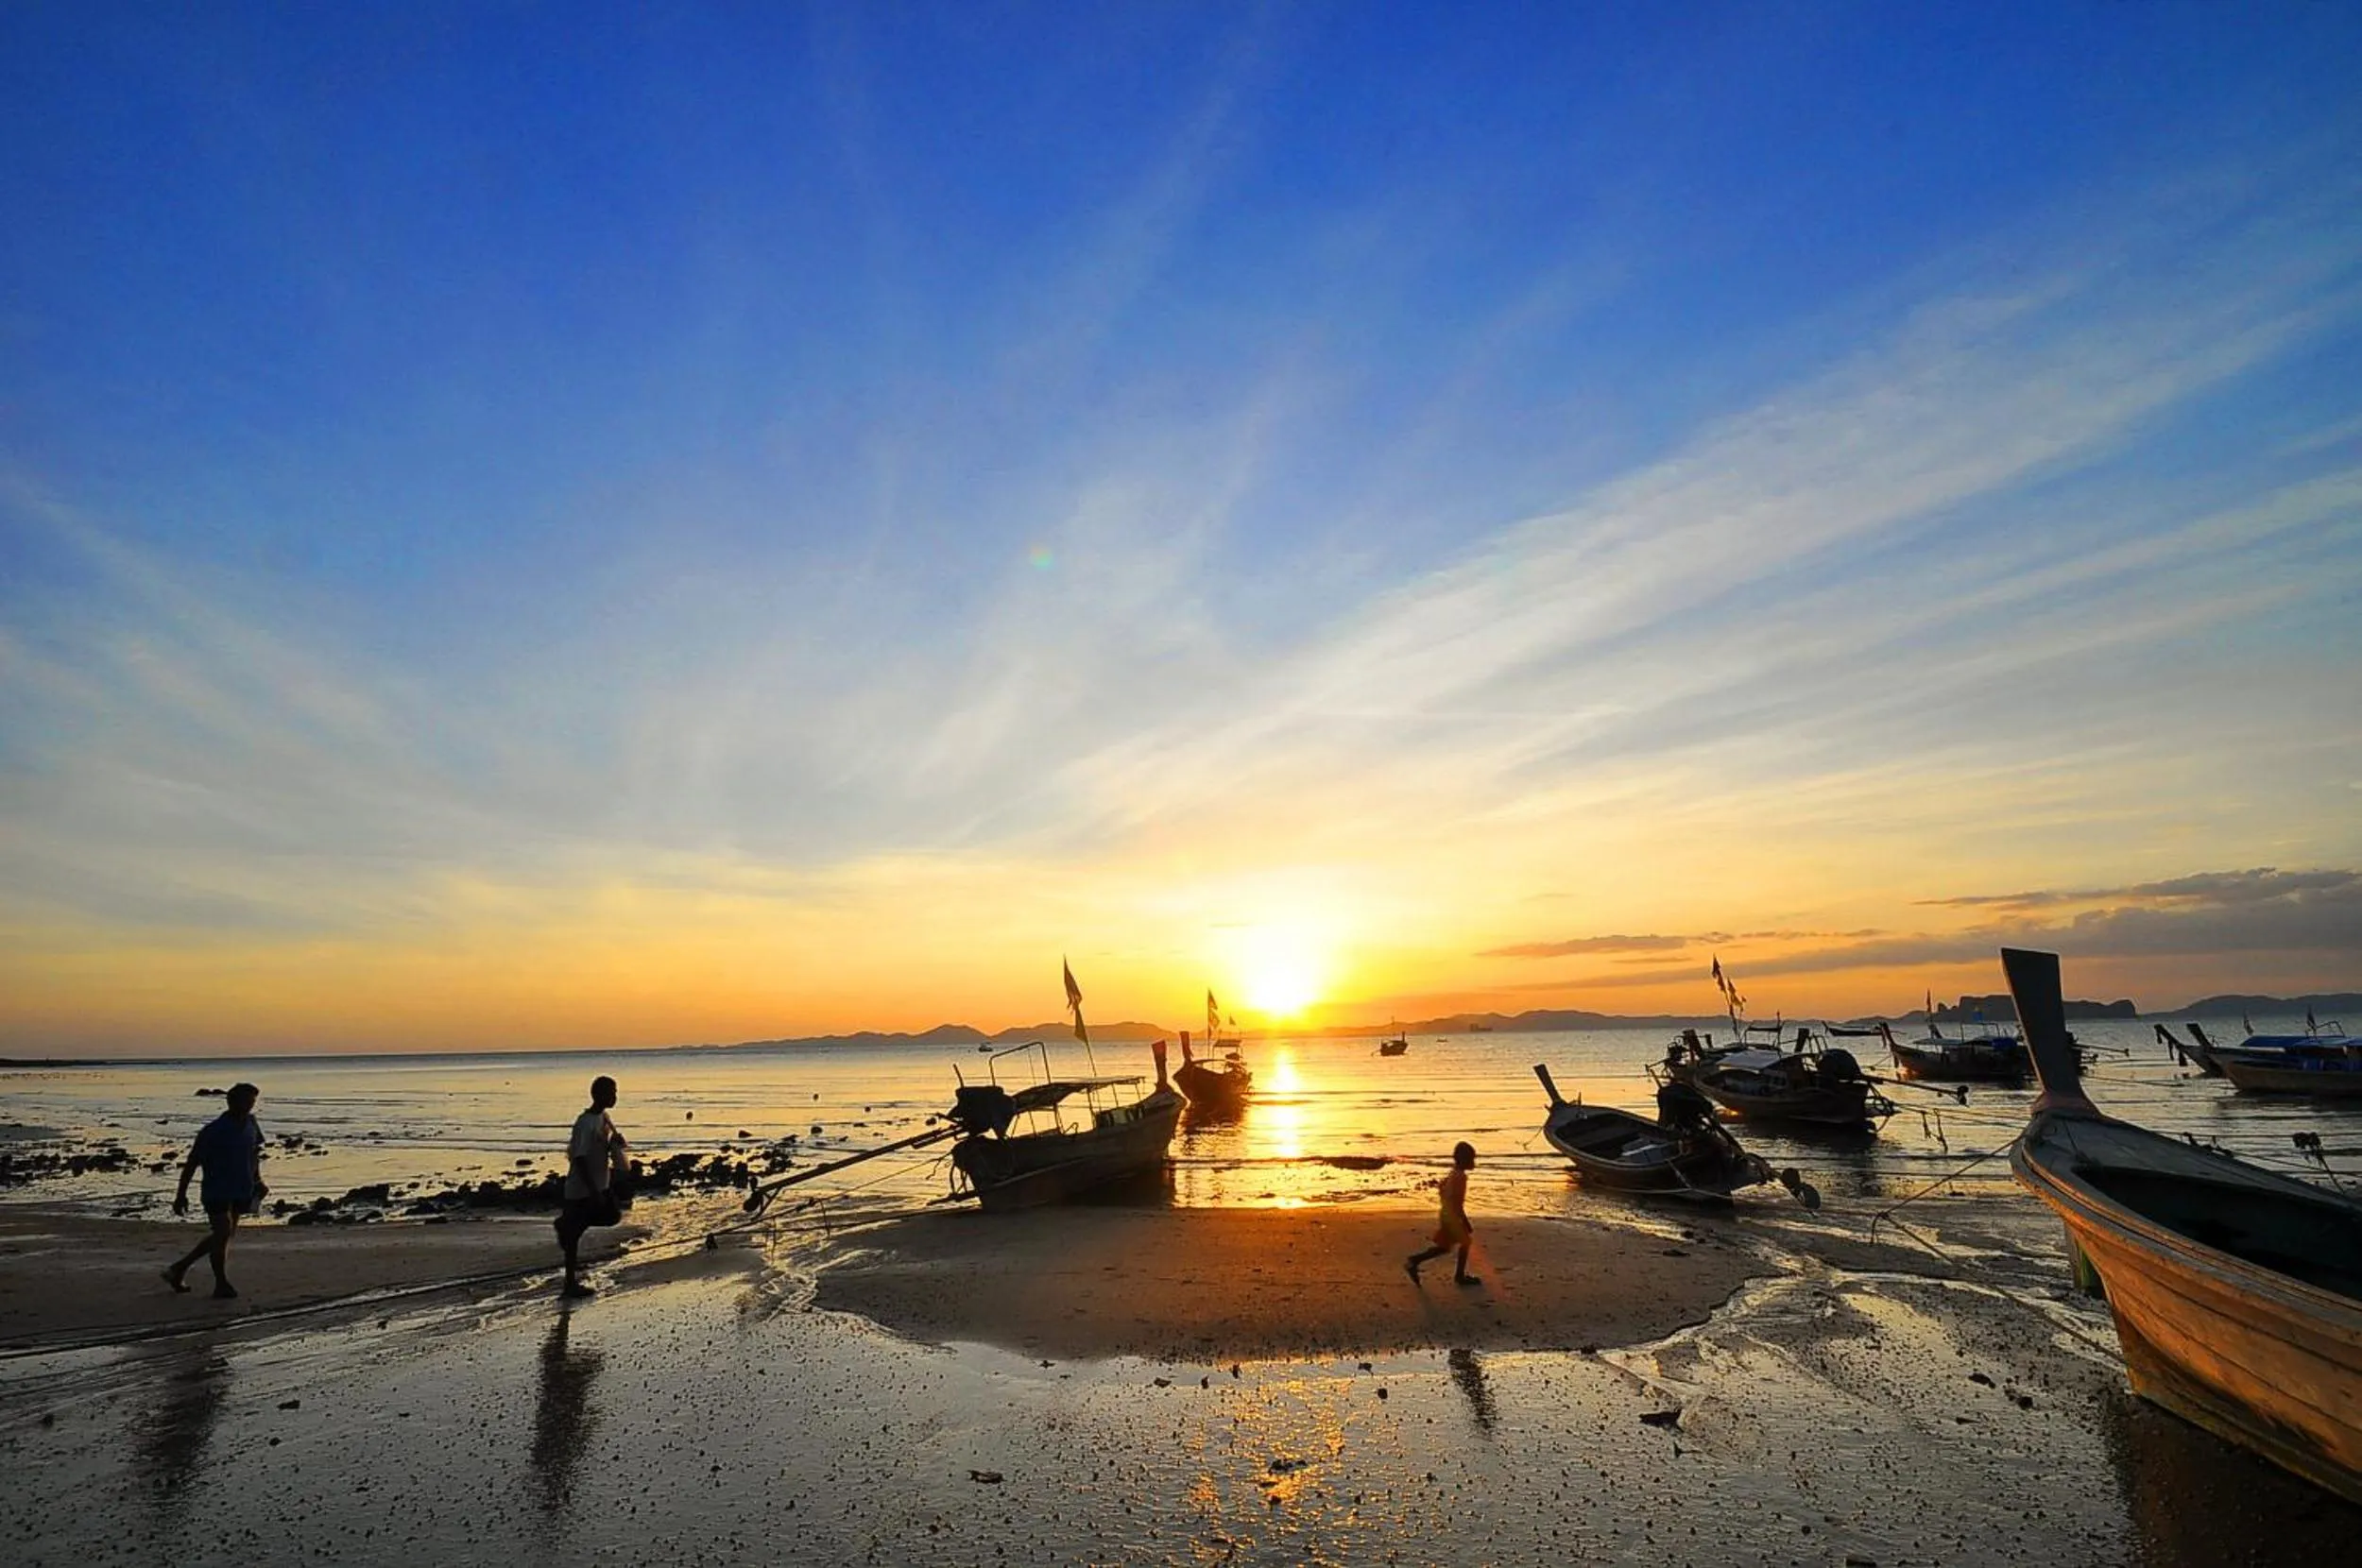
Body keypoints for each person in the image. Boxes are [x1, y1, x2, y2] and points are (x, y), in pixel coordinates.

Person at [165, 1082, 265, 1299]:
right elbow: (192, 1162)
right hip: (216, 1189)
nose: (250, 1105)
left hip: (242, 1188)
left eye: (252, 1101)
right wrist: (180, 1194)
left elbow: (253, 1154)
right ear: (232, 1102)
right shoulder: (213, 1131)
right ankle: (220, 1283)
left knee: (225, 1236)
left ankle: (179, 1268)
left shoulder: (251, 1123)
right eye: (247, 1101)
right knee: (222, 1233)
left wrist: (258, 1181)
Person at [556, 1076, 627, 1299]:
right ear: (600, 1095)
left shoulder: (604, 1118)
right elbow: (579, 1158)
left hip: (599, 1184)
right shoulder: (585, 1123)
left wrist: (616, 1145)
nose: (615, 1096)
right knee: (573, 1239)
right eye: (612, 1092)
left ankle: (565, 1226)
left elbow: (604, 1147)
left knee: (612, 1215)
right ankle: (569, 1285)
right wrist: (593, 1191)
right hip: (581, 1189)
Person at [1405, 1140, 1479, 1287]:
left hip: (1446, 1214)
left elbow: (1443, 1189)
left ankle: (1414, 1261)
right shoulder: (1460, 1177)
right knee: (1464, 1243)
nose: (1473, 1162)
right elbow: (1456, 1202)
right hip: (1451, 1216)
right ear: (1465, 1160)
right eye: (1472, 1158)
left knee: (1445, 1247)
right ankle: (1459, 1276)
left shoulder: (1454, 1173)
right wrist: (1464, 1221)